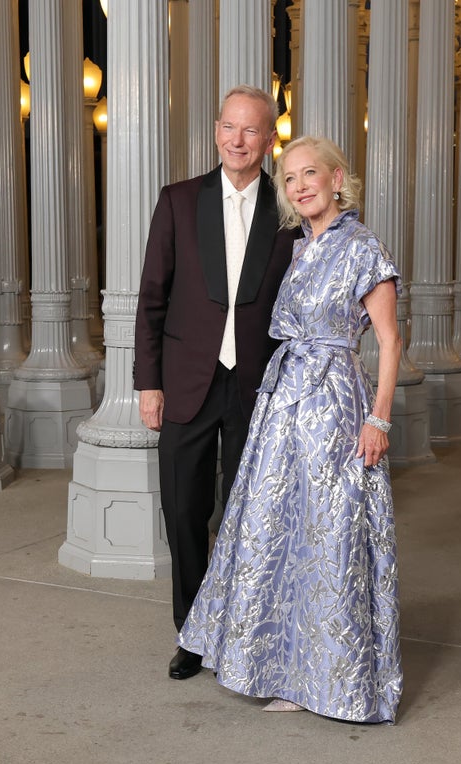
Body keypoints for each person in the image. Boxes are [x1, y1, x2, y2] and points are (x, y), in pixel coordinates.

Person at [176, 136, 404, 723]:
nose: (300, 186)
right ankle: (283, 669)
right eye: (290, 178)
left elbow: (388, 341)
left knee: (330, 535)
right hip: (284, 404)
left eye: (310, 174)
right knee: (279, 529)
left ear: (336, 179)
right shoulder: (298, 248)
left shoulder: (361, 246)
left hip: (334, 402)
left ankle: (333, 679)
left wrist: (378, 418)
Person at [134, 86, 300, 681]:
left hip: (259, 385)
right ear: (214, 130)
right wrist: (147, 383)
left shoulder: (288, 209)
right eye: (229, 127)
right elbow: (152, 298)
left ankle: (243, 633)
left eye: (251, 130)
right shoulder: (179, 201)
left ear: (268, 139)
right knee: (184, 510)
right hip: (185, 382)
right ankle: (193, 633)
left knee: (246, 513)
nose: (237, 139)